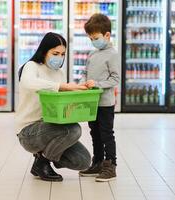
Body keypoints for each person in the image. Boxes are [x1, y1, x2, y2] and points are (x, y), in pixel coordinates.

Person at [15, 32, 91, 182]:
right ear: (44, 51)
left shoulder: (59, 73)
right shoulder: (31, 66)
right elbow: (28, 83)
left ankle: (43, 157)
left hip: (52, 127)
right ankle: (43, 162)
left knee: (83, 161)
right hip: (29, 131)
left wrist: (82, 88)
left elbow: (61, 100)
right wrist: (61, 86)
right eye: (55, 53)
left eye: (62, 54)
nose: (59, 57)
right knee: (73, 129)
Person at [79, 14, 120, 182]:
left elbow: (115, 79)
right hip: (91, 102)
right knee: (94, 133)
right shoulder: (92, 54)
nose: (93, 41)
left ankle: (110, 166)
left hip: (105, 103)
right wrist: (81, 83)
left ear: (107, 35)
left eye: (95, 38)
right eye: (91, 38)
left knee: (106, 134)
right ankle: (97, 162)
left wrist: (97, 84)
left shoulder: (112, 54)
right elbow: (84, 73)